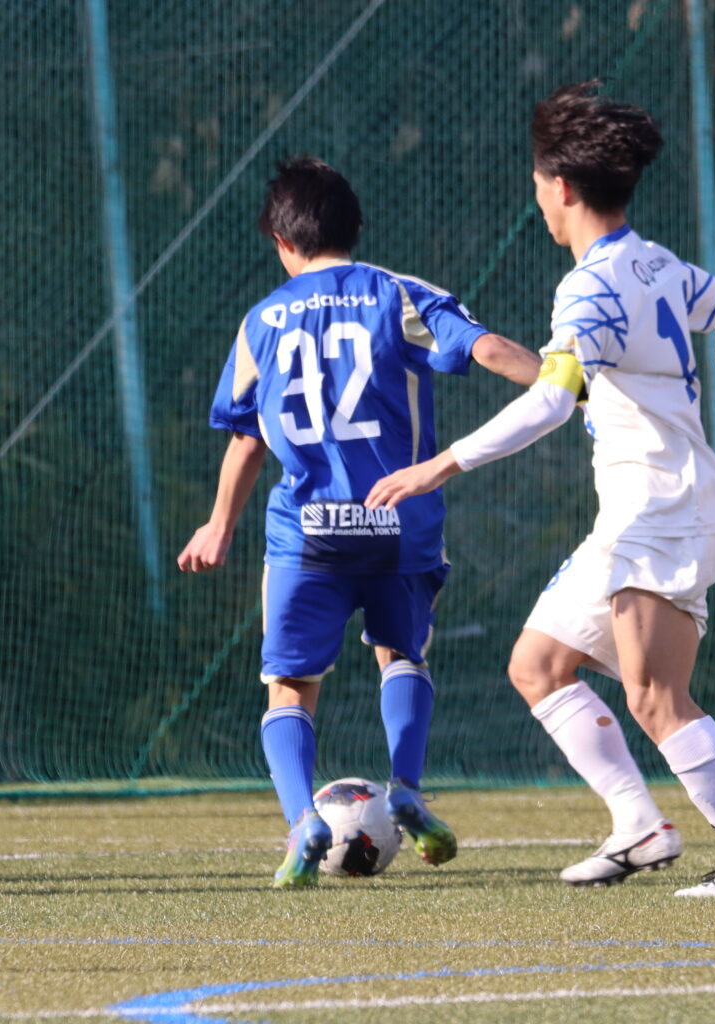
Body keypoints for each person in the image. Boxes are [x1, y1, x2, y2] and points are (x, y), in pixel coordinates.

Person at [367, 81, 715, 897]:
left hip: (660, 509)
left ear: (560, 187)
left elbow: (551, 401)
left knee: (656, 697)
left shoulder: (592, 286)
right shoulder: (660, 264)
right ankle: (640, 827)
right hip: (637, 514)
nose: (536, 197)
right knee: (538, 664)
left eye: (537, 182)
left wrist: (439, 464)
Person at [177, 157, 541, 888]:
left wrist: (218, 524)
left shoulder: (261, 322)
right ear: (357, 226)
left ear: (281, 241)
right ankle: (405, 787)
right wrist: (580, 390)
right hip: (398, 519)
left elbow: (246, 438)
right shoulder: (396, 292)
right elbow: (489, 350)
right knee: (401, 655)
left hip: (306, 529)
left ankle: (301, 821)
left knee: (290, 683)